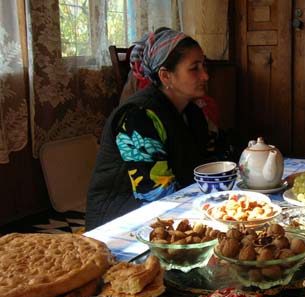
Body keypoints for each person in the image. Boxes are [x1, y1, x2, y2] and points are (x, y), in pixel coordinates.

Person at [86, 29, 220, 230]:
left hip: (173, 211)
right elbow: (156, 195)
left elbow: (209, 163)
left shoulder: (192, 113)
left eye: (204, 65)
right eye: (195, 68)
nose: (206, 76)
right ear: (166, 76)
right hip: (122, 221)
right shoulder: (138, 117)